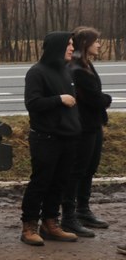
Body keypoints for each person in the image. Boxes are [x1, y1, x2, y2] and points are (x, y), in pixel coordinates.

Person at [19, 30, 81, 246]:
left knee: (59, 183)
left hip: (68, 136)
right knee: (41, 182)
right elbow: (33, 104)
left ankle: (50, 223)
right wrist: (59, 99)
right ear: (57, 47)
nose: (72, 48)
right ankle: (29, 227)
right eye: (69, 44)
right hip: (45, 137)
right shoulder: (37, 72)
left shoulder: (66, 71)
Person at [62, 26, 111, 235]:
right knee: (78, 171)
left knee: (89, 169)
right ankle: (69, 216)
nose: (99, 44)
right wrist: (107, 100)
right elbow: (94, 98)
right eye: (95, 41)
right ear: (86, 45)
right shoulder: (77, 70)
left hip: (92, 125)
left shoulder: (86, 65)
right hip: (83, 127)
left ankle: (83, 209)